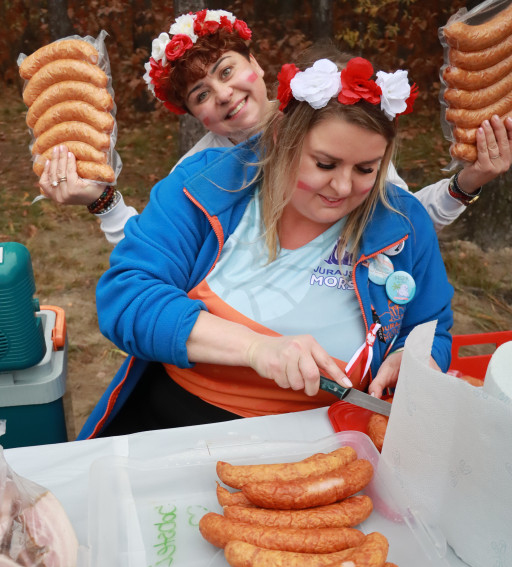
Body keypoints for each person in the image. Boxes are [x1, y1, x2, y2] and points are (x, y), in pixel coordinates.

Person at [77, 51, 454, 439]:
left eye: (366, 170)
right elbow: (127, 299)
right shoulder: (205, 186)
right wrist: (256, 349)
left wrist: (412, 357)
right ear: (280, 138)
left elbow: (432, 328)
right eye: (325, 164)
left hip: (335, 437)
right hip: (177, 422)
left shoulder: (403, 224)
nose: (343, 188)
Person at [39, 8, 512, 244]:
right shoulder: (196, 170)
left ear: (255, 62)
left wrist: (470, 181)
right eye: (200, 94)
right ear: (192, 114)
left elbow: (401, 219)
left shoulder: (333, 121)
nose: (221, 94)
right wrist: (102, 202)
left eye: (225, 71)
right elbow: (155, 256)